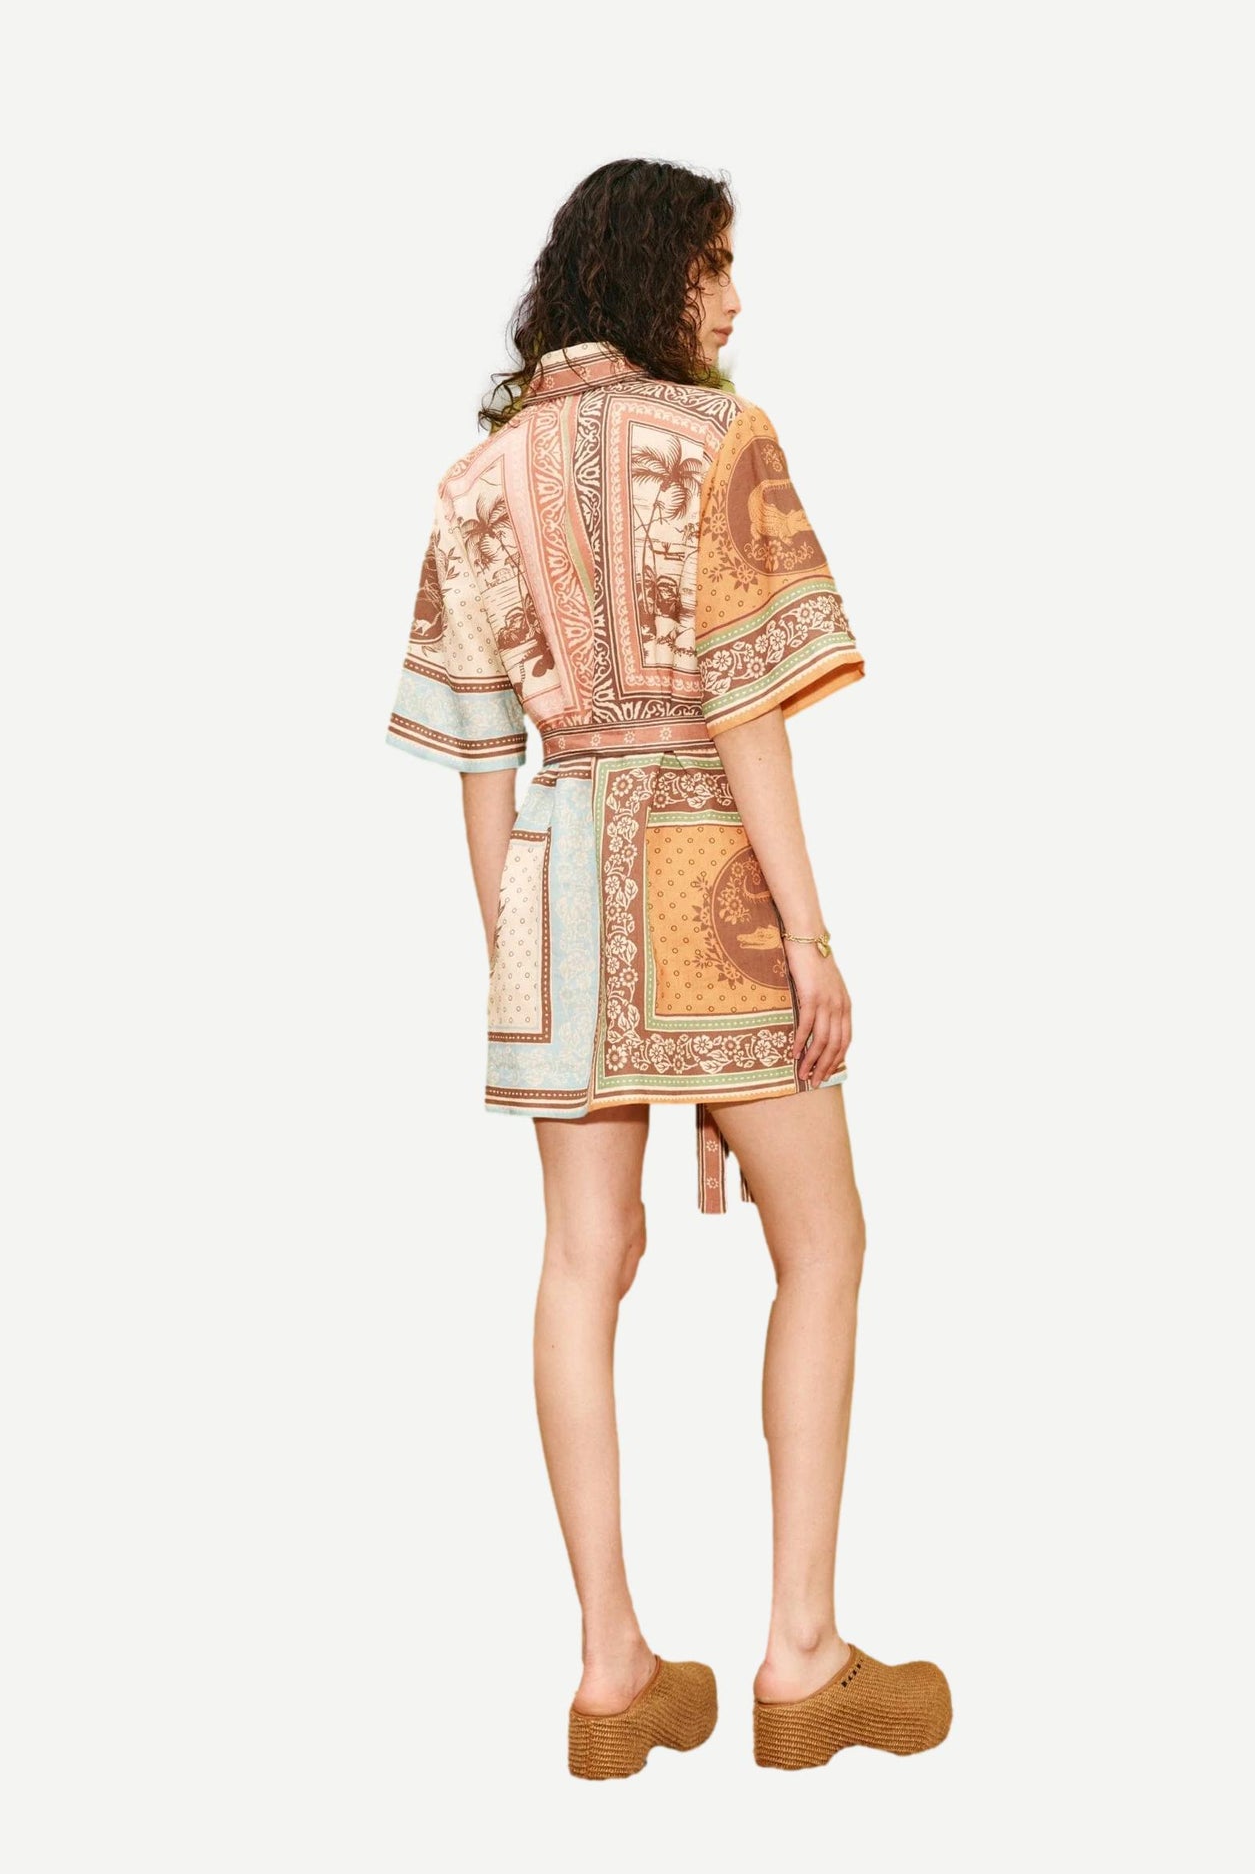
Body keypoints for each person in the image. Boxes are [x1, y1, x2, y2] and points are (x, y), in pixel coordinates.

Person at [385, 158, 950, 1777]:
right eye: (715, 266)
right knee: (823, 1239)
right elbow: (746, 711)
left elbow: (478, 760)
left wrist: (520, 963)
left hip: (553, 888)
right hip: (710, 886)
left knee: (582, 1260)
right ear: (655, 274)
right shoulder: (717, 437)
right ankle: (802, 1654)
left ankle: (610, 1665)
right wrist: (810, 941)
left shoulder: (477, 476)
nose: (734, 298)